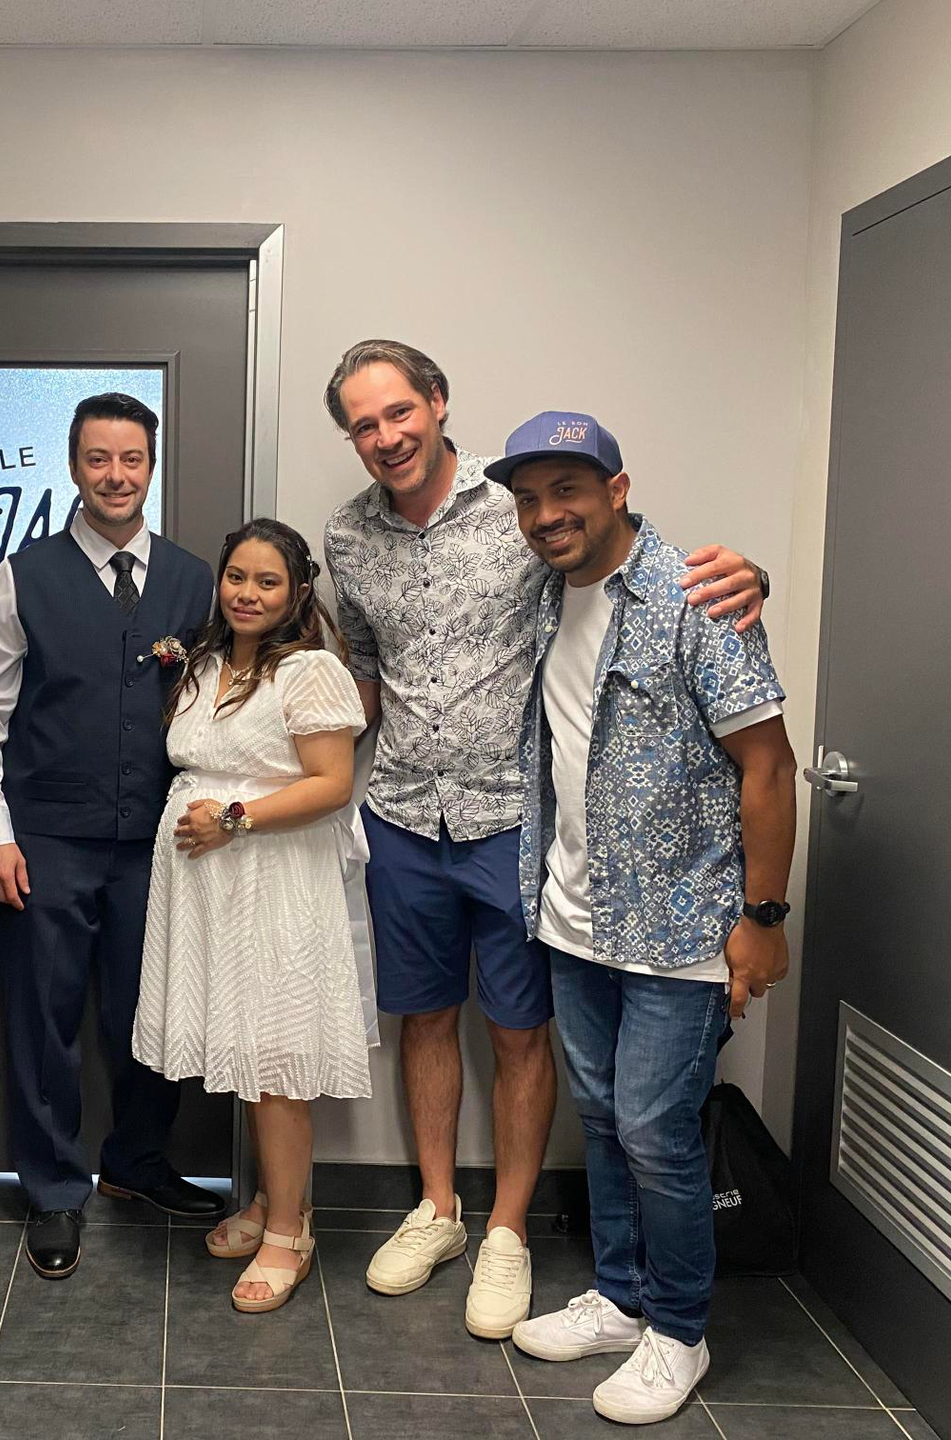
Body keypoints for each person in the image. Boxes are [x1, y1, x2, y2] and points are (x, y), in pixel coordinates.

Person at [320, 341, 769, 1338]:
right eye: (363, 424)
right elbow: (365, 669)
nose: (386, 436)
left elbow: (623, 557)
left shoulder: (522, 506)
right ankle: (438, 1209)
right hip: (402, 813)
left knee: (521, 1033)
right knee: (424, 1020)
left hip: (516, 825)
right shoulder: (346, 536)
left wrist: (751, 577)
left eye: (399, 411)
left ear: (437, 403)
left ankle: (508, 1230)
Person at [491, 412, 795, 1425]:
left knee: (657, 1132)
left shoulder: (696, 599)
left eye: (566, 490)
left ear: (617, 490)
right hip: (574, 917)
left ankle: (678, 1329)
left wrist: (763, 916)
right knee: (603, 1119)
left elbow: (769, 766)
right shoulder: (544, 595)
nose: (547, 514)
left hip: (682, 928)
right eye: (529, 499)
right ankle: (621, 1297)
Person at [0, 392, 224, 1281]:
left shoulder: (194, 581)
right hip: (46, 838)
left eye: (131, 459)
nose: (116, 476)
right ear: (74, 467)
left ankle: (138, 1162)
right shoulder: (23, 575)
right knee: (44, 1017)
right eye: (98, 459)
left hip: (158, 842)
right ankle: (53, 1189)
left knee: (152, 1012)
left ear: (151, 466)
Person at [133, 519, 374, 1314]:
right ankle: (274, 1202)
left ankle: (290, 1237)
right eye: (237, 576)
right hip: (210, 888)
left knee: (274, 1058)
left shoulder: (310, 671)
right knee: (244, 1045)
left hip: (273, 878)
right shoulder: (206, 662)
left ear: (297, 592)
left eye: (267, 581)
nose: (247, 593)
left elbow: (331, 783)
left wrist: (233, 819)